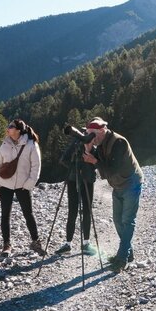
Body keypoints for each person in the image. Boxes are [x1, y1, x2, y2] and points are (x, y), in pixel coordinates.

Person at [80, 116, 142, 271]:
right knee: (117, 220)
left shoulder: (119, 142)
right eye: (88, 133)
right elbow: (102, 170)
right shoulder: (100, 144)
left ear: (102, 130)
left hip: (131, 183)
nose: (91, 137)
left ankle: (121, 259)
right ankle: (128, 253)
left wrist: (93, 160)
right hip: (118, 185)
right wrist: (88, 149)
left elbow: (111, 169)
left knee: (127, 221)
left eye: (92, 133)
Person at [0, 119, 45, 257]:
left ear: (18, 130)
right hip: (5, 185)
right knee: (5, 214)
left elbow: (36, 167)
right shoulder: (4, 145)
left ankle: (35, 241)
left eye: (11, 127)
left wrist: (29, 185)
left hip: (23, 186)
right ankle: (6, 245)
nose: (8, 129)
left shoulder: (31, 144)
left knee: (28, 213)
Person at [56, 130, 97, 255]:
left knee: (86, 210)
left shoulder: (93, 148)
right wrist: (75, 166)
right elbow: (63, 159)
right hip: (75, 179)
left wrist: (89, 155)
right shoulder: (76, 144)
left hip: (87, 180)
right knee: (73, 211)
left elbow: (98, 162)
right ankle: (71, 243)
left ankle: (84, 243)